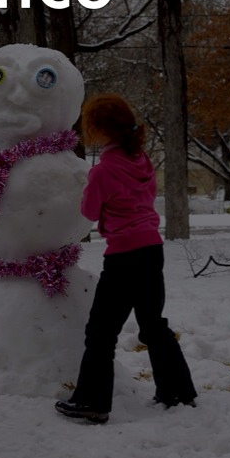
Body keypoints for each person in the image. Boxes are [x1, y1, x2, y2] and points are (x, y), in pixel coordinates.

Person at [55, 93, 197, 424]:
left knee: (101, 332)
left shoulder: (103, 171)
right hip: (152, 251)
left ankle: (92, 402)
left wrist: (86, 187)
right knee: (153, 325)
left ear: (100, 130)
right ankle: (178, 391)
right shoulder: (141, 160)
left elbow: (89, 212)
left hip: (124, 257)